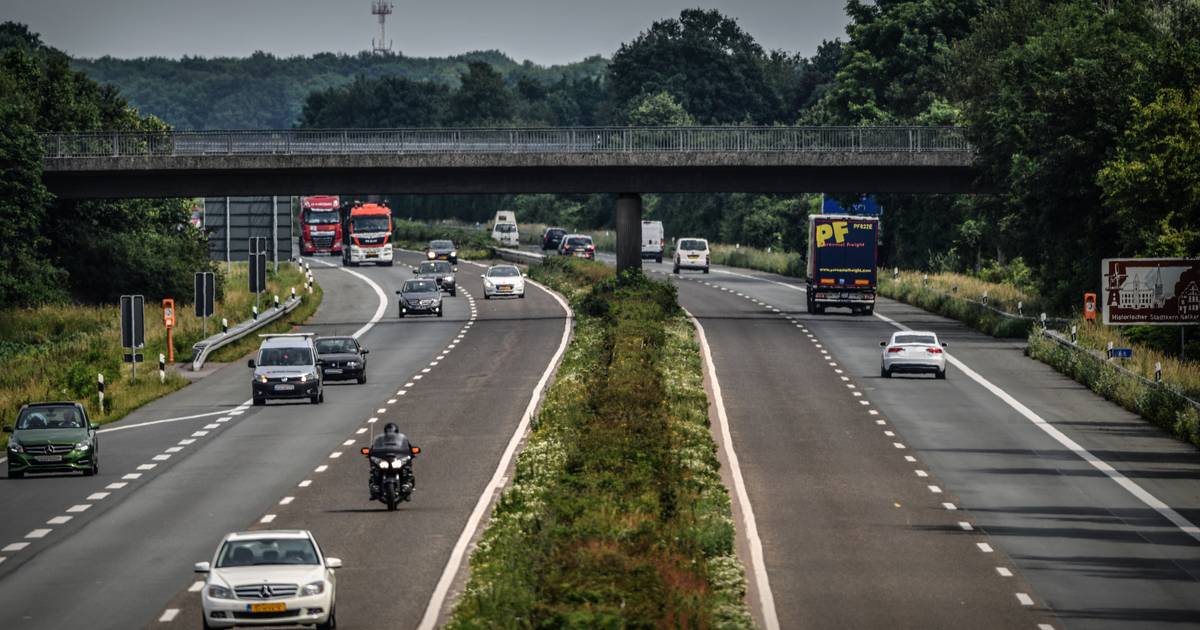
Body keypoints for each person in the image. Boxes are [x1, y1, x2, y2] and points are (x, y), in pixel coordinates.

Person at [367, 423, 417, 500]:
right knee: (375, 470)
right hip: (384, 459)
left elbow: (409, 448)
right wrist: (370, 452)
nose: (390, 432)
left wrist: (411, 452)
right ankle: (375, 487)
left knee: (406, 468)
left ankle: (406, 484)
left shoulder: (402, 438)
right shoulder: (379, 439)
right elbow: (373, 449)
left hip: (396, 459)